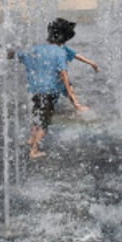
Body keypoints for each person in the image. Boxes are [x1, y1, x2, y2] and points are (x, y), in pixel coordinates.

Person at [14, 18, 88, 158]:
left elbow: (17, 54)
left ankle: (31, 139)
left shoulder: (36, 49)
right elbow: (64, 75)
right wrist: (73, 99)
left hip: (35, 91)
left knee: (37, 116)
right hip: (50, 92)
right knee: (45, 124)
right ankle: (34, 151)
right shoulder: (60, 52)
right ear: (65, 38)